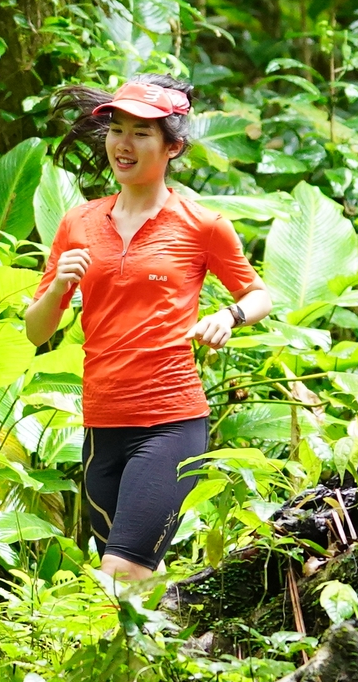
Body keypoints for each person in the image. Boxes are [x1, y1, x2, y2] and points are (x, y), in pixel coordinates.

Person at [23, 76, 270, 579]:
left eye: (141, 133)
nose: (123, 144)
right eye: (117, 129)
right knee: (133, 583)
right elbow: (35, 331)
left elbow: (258, 293)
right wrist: (56, 289)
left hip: (170, 421)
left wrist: (228, 315)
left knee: (122, 571)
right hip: (101, 424)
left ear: (172, 146)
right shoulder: (78, 222)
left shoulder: (201, 224)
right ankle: (173, 655)